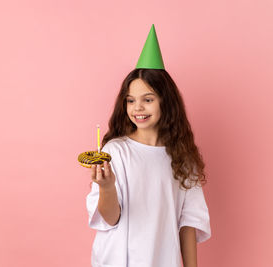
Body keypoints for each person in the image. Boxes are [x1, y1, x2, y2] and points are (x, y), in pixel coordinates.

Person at [86, 25, 211, 267]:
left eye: (148, 100)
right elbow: (110, 219)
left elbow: (189, 222)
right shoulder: (115, 152)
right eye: (131, 101)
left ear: (166, 102)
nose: (137, 108)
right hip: (118, 261)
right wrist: (107, 187)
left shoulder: (182, 157)